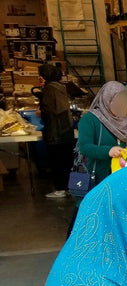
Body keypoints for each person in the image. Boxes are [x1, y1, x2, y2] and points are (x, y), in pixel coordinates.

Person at [67, 81, 127, 237]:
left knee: (114, 221)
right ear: (107, 99)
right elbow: (85, 147)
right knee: (87, 218)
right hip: (96, 178)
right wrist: (108, 151)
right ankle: (77, 247)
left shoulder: (125, 122)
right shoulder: (90, 119)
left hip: (119, 178)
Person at [38, 63, 75, 199]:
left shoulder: (49, 89)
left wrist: (40, 111)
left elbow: (48, 111)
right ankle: (70, 188)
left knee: (57, 162)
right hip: (66, 131)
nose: (39, 78)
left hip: (55, 132)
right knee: (67, 161)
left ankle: (60, 189)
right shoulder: (61, 87)